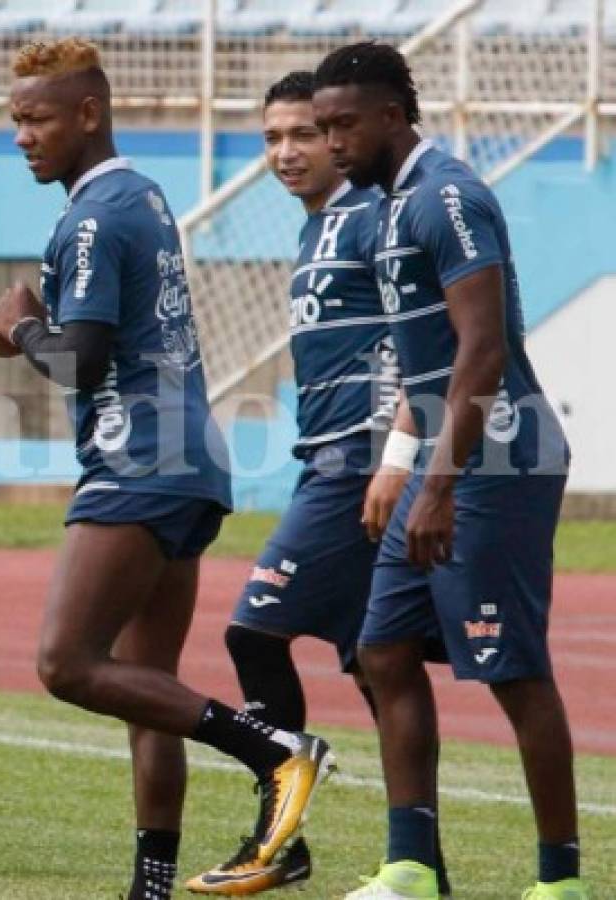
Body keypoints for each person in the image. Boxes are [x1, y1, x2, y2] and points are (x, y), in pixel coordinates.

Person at [0, 39, 334, 900]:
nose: (20, 137)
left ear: (87, 113)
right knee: (143, 687)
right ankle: (149, 887)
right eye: (13, 120)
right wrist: (29, 323)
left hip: (138, 460)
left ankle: (273, 751)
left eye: (35, 118)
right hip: (187, 460)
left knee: (66, 663)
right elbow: (102, 340)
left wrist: (20, 332)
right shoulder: (141, 197)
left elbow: (80, 363)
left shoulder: (90, 215)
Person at [311, 41, 587, 900]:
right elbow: (423, 360)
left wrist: (436, 485)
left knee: (510, 667)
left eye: (343, 124)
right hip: (443, 457)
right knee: (382, 649)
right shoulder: (389, 207)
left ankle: (559, 882)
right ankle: (411, 865)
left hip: (496, 460)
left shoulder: (449, 197)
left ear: (393, 115)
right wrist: (400, 463)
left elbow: (482, 349)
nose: (330, 143)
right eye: (321, 128)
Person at [186, 71, 450, 897]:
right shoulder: (312, 233)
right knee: (380, 666)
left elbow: (427, 338)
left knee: (253, 632)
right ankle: (417, 864)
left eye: (303, 133)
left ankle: (279, 832)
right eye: (271, 138)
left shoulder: (372, 216)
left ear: (339, 136)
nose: (288, 152)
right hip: (326, 462)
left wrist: (395, 459)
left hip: (358, 467)